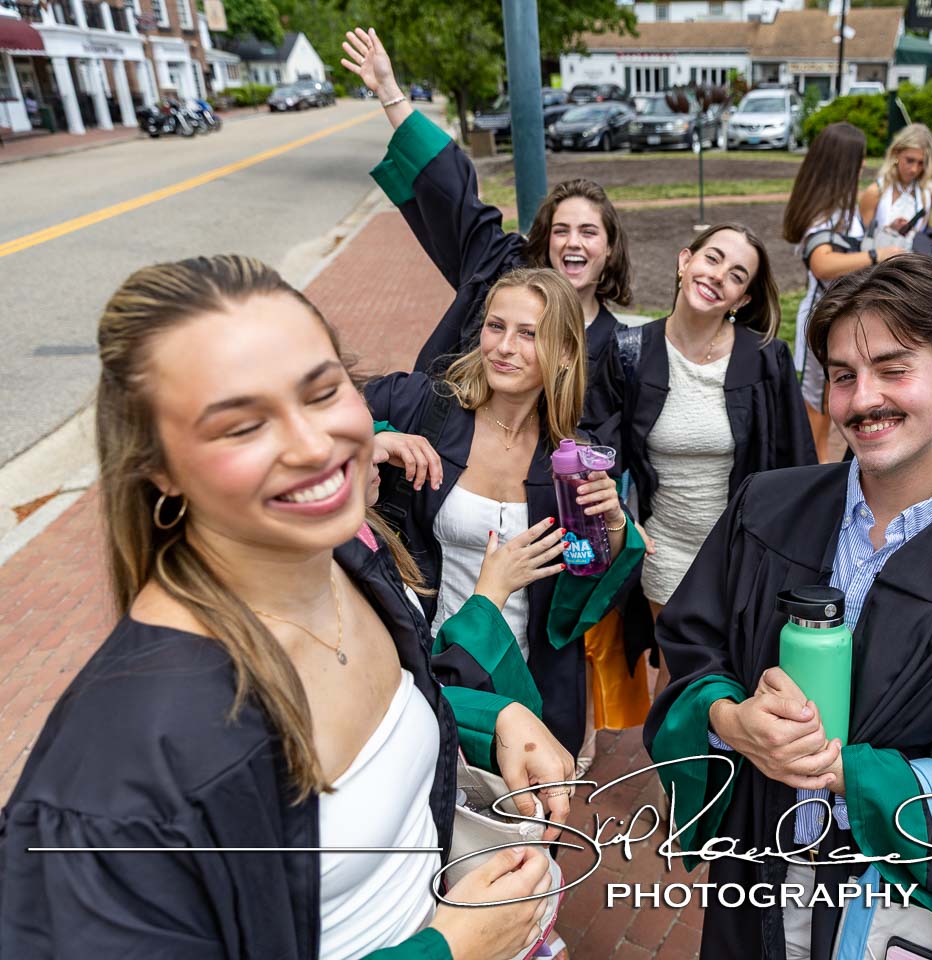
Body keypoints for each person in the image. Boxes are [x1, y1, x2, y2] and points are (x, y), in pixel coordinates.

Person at [0, 255, 574, 958]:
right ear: (156, 465)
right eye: (242, 425)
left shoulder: (348, 563)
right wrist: (448, 951)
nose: (312, 445)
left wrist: (492, 720)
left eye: (323, 390)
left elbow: (393, 712)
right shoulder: (114, 784)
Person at [644, 255, 932, 959]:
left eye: (894, 369)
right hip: (751, 862)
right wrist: (728, 719)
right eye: (843, 375)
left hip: (883, 902)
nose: (862, 400)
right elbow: (693, 643)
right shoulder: (764, 507)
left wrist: (841, 773)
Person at [365, 268, 644, 757]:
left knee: (527, 825)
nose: (504, 347)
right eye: (496, 327)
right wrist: (375, 441)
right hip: (429, 663)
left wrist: (614, 525)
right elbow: (311, 436)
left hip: (528, 677)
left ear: (563, 354)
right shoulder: (421, 408)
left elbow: (586, 582)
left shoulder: (572, 459)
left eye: (529, 334)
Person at [583, 223, 815, 671]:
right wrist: (622, 520)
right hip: (666, 547)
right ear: (685, 261)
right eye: (712, 258)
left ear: (742, 299)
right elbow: (598, 448)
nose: (718, 275)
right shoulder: (630, 351)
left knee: (742, 673)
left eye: (736, 274)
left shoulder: (766, 360)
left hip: (743, 554)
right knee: (677, 680)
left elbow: (796, 462)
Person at [343, 28, 632, 379]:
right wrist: (389, 90)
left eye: (588, 231)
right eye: (561, 230)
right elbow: (451, 190)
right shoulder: (501, 268)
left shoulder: (618, 348)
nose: (573, 242)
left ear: (610, 248)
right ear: (545, 239)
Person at [782, 121, 907, 457]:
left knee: (831, 393)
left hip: (841, 315)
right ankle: (815, 465)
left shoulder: (845, 207)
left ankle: (822, 463)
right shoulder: (822, 212)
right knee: (817, 396)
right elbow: (823, 263)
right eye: (861, 158)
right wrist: (877, 253)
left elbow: (847, 252)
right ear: (845, 162)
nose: (865, 164)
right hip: (821, 317)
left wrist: (880, 234)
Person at [858, 123, 932, 252]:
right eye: (910, 160)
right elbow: (861, 242)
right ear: (896, 153)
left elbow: (925, 233)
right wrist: (888, 230)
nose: (914, 169)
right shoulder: (876, 192)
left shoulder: (927, 195)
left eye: (921, 163)